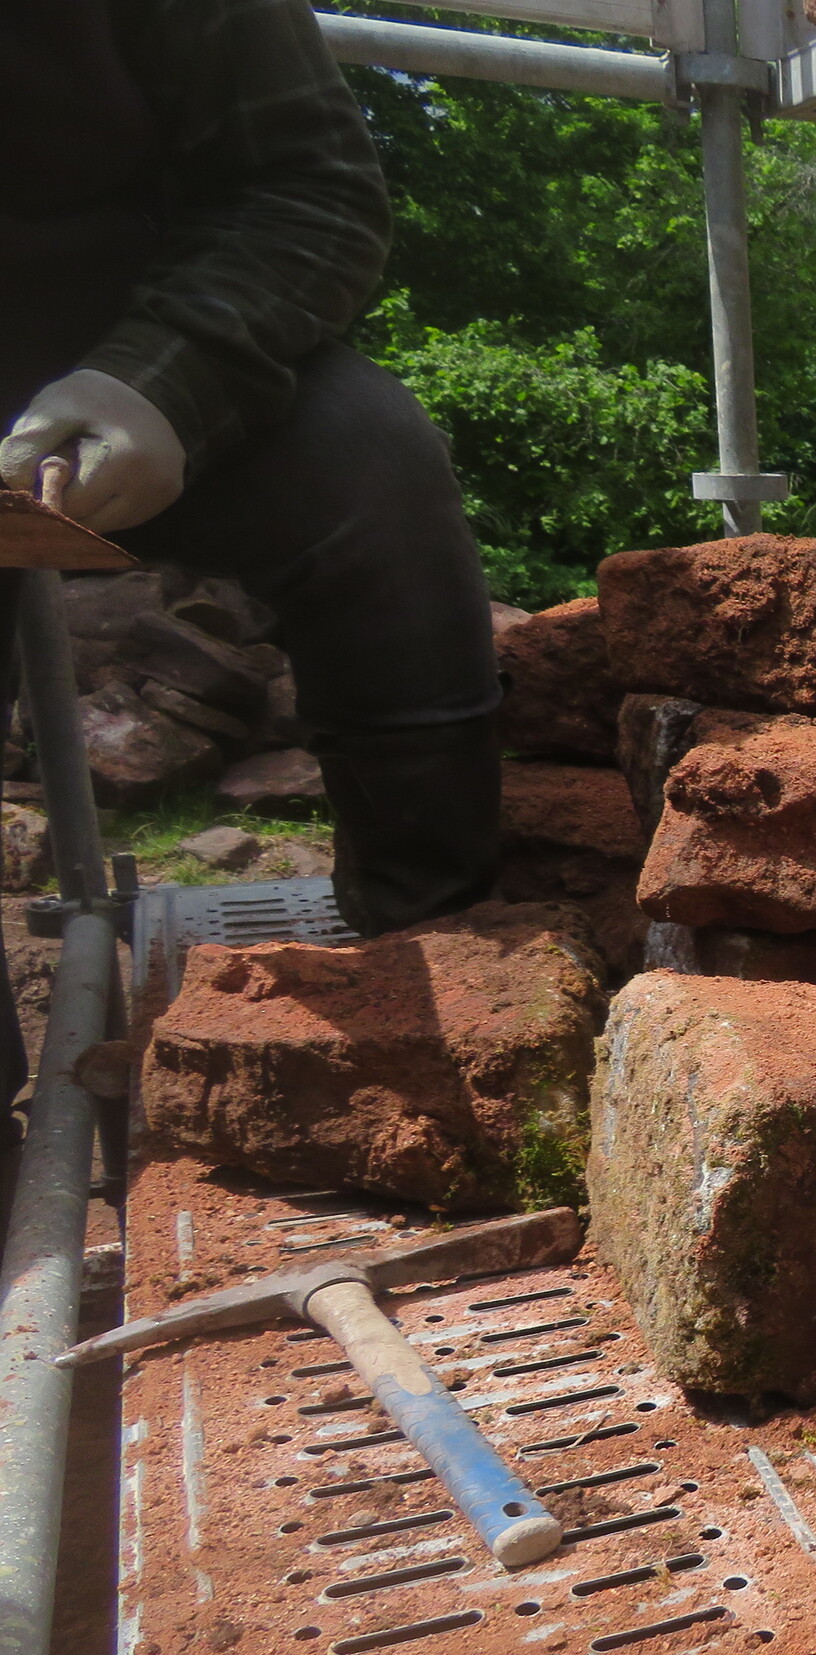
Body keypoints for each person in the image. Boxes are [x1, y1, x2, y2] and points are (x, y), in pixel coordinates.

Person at [0, 0, 503, 951]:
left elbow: (309, 186)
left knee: (369, 458)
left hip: (145, 337)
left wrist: (161, 379)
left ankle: (438, 931)